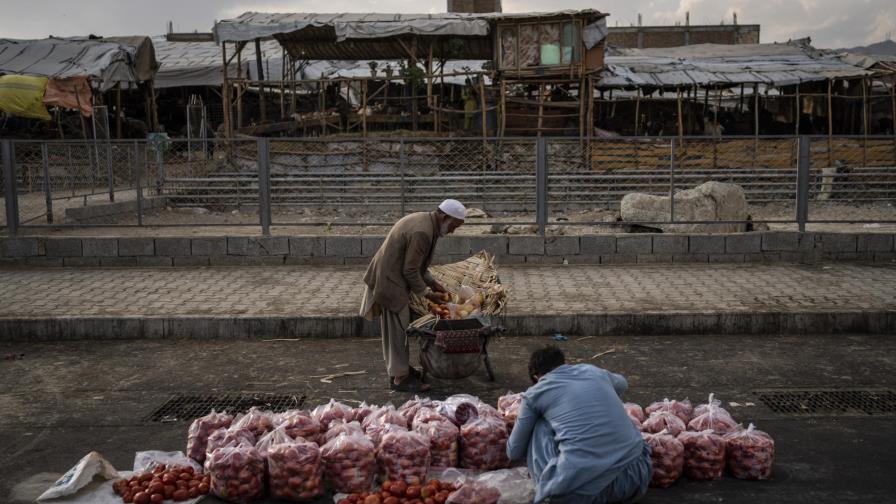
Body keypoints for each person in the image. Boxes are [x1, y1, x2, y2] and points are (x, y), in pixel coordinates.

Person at [507, 346, 651, 504]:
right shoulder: (592, 371)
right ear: (564, 364)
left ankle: (548, 491)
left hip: (582, 494)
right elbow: (623, 384)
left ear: (536, 378)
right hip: (637, 476)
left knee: (539, 424)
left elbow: (514, 452)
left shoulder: (534, 394)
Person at [360, 199, 466, 392]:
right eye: (453, 226)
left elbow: (417, 266)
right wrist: (428, 294)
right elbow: (410, 271)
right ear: (445, 217)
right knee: (397, 330)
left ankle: (400, 369)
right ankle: (400, 378)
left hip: (392, 278)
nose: (452, 231)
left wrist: (434, 283)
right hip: (389, 281)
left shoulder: (426, 223)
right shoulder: (422, 232)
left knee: (398, 328)